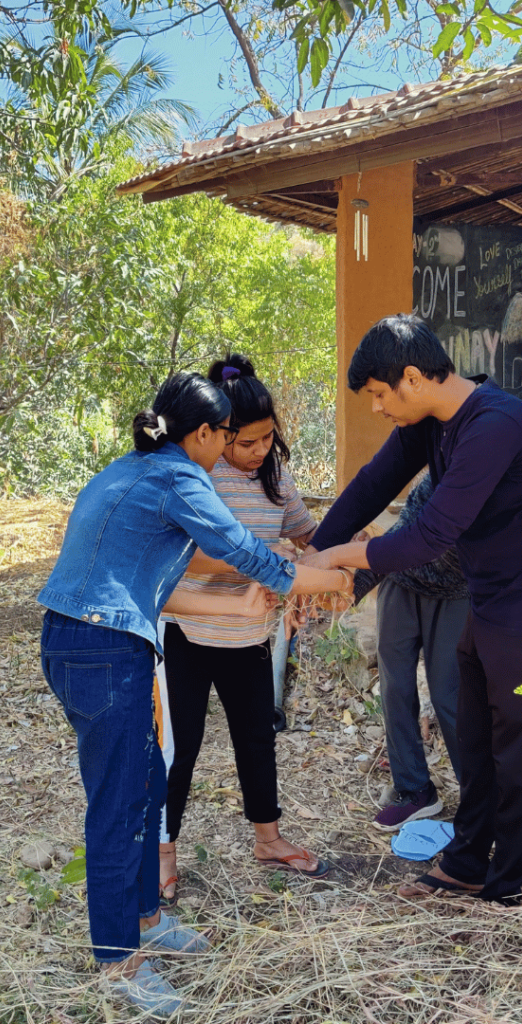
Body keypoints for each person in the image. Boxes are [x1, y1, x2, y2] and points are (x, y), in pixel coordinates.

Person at [38, 372, 353, 1013]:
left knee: (147, 783)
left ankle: (148, 920)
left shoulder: (132, 471)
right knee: (119, 810)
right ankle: (119, 964)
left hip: (85, 639)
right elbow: (246, 553)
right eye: (227, 436)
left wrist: (242, 607)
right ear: (205, 433)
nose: (231, 449)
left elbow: (157, 579)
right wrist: (330, 577)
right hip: (104, 650)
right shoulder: (179, 478)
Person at [300, 314, 522, 906]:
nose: (378, 409)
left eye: (380, 395)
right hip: (490, 607)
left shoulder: (494, 425)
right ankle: (466, 863)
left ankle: (504, 886)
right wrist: (312, 554)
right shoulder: (432, 422)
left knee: (518, 755)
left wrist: (335, 557)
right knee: (477, 745)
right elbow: (372, 484)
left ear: (412, 378)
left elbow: (427, 537)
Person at [155, 354, 326, 907]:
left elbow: (304, 535)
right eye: (245, 441)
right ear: (218, 432)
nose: (257, 451)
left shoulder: (275, 475)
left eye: (267, 439)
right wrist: (264, 561)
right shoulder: (197, 474)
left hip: (250, 635)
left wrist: (336, 558)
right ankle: (163, 853)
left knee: (256, 738)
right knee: (179, 748)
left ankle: (268, 840)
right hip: (187, 631)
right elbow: (183, 552)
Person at [351, 473, 469, 831]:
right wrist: (352, 583)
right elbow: (402, 533)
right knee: (395, 689)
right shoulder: (436, 470)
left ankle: (481, 797)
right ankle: (415, 790)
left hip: (456, 594)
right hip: (401, 584)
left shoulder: (494, 475)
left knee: (450, 695)